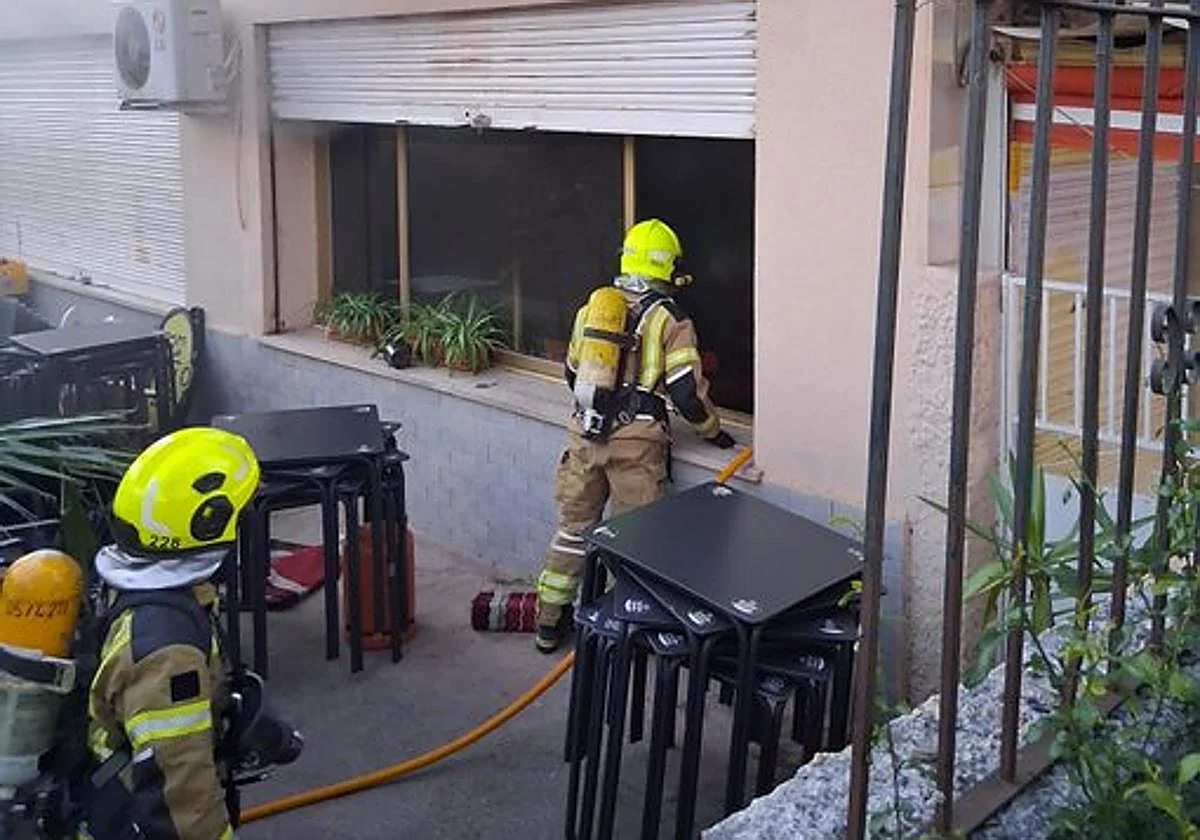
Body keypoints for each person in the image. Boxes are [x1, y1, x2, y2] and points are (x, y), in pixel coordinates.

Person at [534, 218, 735, 653]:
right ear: (668, 267)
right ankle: (627, 631)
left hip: (585, 436)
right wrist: (714, 432)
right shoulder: (671, 319)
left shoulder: (592, 309)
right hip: (636, 445)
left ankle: (550, 622)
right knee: (636, 541)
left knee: (572, 531)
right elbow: (686, 393)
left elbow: (573, 373)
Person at [83, 426, 261, 840]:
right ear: (207, 524)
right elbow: (180, 793)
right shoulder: (168, 651)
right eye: (244, 514)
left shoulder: (143, 589)